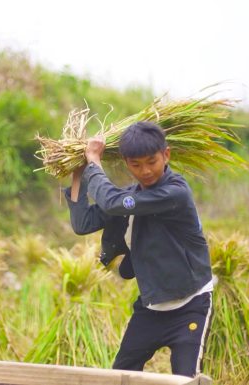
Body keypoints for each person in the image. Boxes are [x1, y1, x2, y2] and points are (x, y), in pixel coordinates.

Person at [63, 121, 214, 377]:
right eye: (136, 164)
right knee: (121, 376)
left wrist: (94, 163)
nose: (145, 171)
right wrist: (80, 171)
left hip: (191, 303)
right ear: (125, 162)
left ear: (166, 155)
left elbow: (111, 202)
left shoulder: (175, 193)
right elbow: (83, 223)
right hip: (151, 309)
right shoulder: (129, 198)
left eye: (151, 161)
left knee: (185, 380)